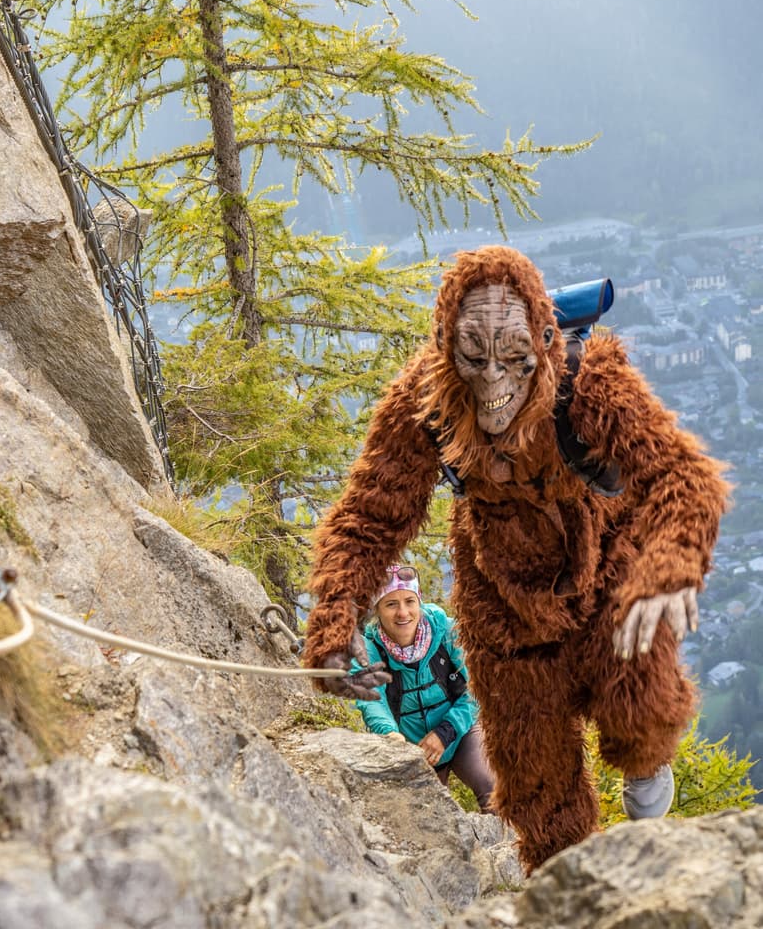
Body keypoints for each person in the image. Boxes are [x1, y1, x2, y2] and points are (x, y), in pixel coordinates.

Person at [303, 245, 728, 873]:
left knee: (640, 707)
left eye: (514, 360)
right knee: (535, 785)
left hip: (609, 568)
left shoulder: (589, 379)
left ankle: (646, 767)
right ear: (446, 349)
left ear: (546, 343)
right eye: (473, 359)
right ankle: (568, 890)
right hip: (503, 605)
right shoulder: (426, 400)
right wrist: (334, 623)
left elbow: (680, 475)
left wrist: (670, 568)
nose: (494, 384)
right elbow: (370, 515)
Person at [352, 563, 495, 813]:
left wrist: (445, 732)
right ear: (377, 610)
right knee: (430, 814)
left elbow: (479, 685)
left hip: (461, 732)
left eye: (409, 601)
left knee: (490, 786)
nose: (403, 613)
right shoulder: (368, 649)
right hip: (412, 746)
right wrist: (390, 736)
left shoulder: (447, 631)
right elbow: (372, 699)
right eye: (391, 604)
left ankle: (504, 839)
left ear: (419, 601)